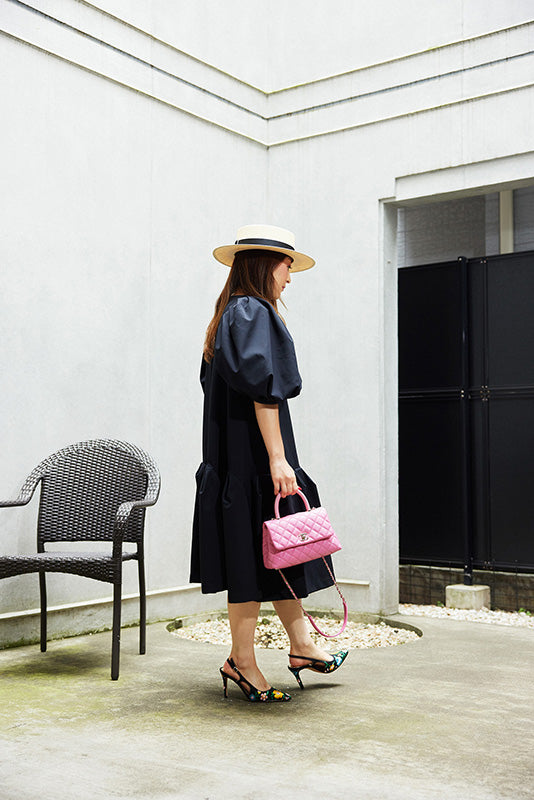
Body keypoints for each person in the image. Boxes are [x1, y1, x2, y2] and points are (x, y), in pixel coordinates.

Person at [190, 224, 348, 702]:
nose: (290, 277)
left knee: (269, 556)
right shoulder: (252, 312)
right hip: (255, 458)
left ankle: (300, 644)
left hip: (241, 458)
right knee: (253, 557)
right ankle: (242, 662)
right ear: (264, 265)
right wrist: (279, 460)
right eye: (286, 266)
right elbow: (264, 393)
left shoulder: (229, 315)